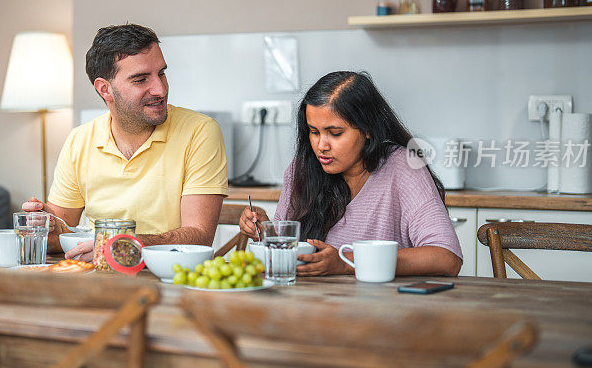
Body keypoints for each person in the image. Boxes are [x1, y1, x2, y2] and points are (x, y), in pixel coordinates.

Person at [24, 23, 228, 261]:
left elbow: (199, 236)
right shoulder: (80, 139)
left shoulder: (200, 131)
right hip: (98, 280)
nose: (160, 89)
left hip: (171, 282)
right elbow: (59, 237)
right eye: (141, 79)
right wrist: (43, 225)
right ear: (105, 89)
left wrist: (120, 246)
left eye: (161, 73)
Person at [239, 71, 462, 277]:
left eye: (335, 133)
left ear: (367, 130)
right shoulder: (303, 167)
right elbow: (299, 256)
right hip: (312, 306)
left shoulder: (403, 166)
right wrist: (268, 233)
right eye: (313, 132)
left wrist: (347, 263)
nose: (321, 146)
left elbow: (446, 258)